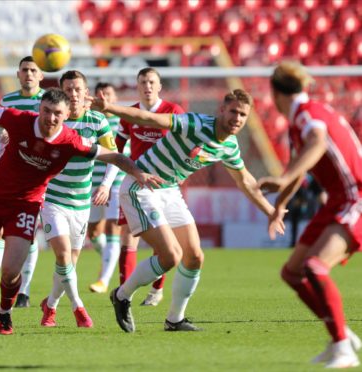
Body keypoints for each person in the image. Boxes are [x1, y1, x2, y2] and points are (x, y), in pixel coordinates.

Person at [0, 88, 163, 335]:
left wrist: (138, 173)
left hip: (25, 205)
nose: (51, 117)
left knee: (12, 271)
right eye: (47, 110)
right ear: (40, 107)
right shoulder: (17, 119)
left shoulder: (72, 142)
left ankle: (4, 314)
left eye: (57, 113)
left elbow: (115, 156)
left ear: (67, 114)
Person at [88, 88, 285, 333]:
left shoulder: (229, 146)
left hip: (169, 190)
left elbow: (244, 180)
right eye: (233, 111)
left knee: (194, 257)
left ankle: (174, 320)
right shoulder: (194, 123)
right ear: (221, 110)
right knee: (170, 256)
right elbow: (150, 119)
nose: (237, 118)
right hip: (142, 186)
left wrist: (271, 211)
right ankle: (122, 295)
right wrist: (109, 108)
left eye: (243, 115)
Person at [258, 61, 361, 369]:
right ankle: (340, 335)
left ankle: (342, 346)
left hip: (356, 197)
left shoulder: (309, 116)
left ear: (275, 94)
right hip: (338, 201)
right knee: (292, 272)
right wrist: (280, 205)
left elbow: (316, 143)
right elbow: (301, 165)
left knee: (315, 267)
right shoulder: (302, 119)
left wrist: (285, 175)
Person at [39, 71, 120, 328]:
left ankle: (50, 305)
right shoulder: (53, 120)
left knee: (69, 263)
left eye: (78, 90)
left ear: (86, 93)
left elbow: (114, 156)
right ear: (62, 92)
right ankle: (79, 310)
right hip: (53, 199)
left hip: (81, 202)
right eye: (69, 89)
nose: (74, 95)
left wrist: (106, 185)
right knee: (63, 256)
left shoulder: (97, 121)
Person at [110, 67, 185, 306]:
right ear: (137, 84)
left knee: (163, 241)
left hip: (165, 186)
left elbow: (188, 145)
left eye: (152, 82)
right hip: (137, 184)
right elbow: (116, 150)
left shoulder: (173, 112)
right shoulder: (130, 114)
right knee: (128, 237)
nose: (148, 86)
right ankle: (124, 292)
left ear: (160, 86)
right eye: (143, 82)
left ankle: (156, 290)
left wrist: (182, 171)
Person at [0, 56, 45, 309]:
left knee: (28, 234)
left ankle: (24, 291)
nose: (28, 74)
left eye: (33, 70)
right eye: (24, 70)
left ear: (40, 75)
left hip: (36, 175)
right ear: (18, 74)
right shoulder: (8, 100)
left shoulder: (47, 101)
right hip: (8, 174)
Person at [87, 82, 126, 294]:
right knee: (93, 232)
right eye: (101, 94)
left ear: (115, 98)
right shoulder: (92, 120)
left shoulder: (122, 121)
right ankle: (110, 258)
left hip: (117, 180)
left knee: (113, 227)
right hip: (93, 181)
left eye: (109, 94)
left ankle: (104, 279)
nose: (105, 97)